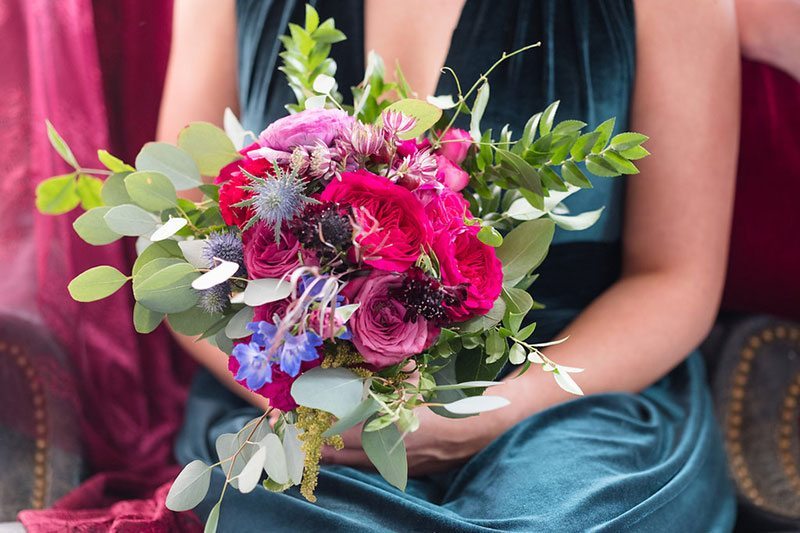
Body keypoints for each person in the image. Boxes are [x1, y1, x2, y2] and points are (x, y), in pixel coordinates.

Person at [158, 0, 740, 530]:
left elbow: (674, 278)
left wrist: (491, 415)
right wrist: (300, 396)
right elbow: (175, 244)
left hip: (574, 385)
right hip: (303, 392)